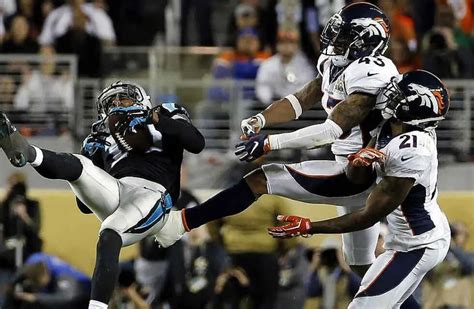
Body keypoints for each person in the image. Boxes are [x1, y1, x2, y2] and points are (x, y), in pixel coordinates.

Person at [179, 2, 398, 277]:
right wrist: (261, 119)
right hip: (346, 164)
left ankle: (182, 222)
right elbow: (302, 99)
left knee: (260, 179)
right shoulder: (336, 64)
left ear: (366, 41)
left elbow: (330, 131)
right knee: (362, 265)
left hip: (364, 173)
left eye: (343, 37)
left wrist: (271, 142)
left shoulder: (374, 71)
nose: (334, 41)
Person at [0, 81, 205, 308]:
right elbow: (85, 206)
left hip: (153, 193)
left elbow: (196, 143)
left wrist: (155, 120)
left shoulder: (164, 113)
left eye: (123, 99)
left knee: (109, 234)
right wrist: (90, 154)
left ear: (142, 100)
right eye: (111, 103)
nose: (117, 105)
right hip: (117, 190)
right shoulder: (105, 138)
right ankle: (28, 152)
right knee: (78, 164)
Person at [267, 69, 452, 308]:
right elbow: (356, 177)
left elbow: (367, 216)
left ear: (414, 107)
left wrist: (311, 227)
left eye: (398, 95)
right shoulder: (391, 127)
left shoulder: (414, 150)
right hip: (403, 240)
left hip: (419, 244)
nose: (389, 96)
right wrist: (358, 160)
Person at [4, 253, 91, 309]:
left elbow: (66, 299)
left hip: (82, 294)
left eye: (41, 284)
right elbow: (23, 271)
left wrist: (35, 297)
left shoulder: (63, 275)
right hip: (62, 290)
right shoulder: (36, 260)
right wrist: (12, 283)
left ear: (46, 273)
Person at [256, 29, 315, 105]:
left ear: (297, 46)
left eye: (290, 43)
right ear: (277, 45)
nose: (286, 46)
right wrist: (269, 100)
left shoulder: (305, 66)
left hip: (297, 107)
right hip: (272, 105)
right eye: (282, 43)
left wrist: (290, 101)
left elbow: (306, 88)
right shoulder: (268, 64)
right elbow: (262, 85)